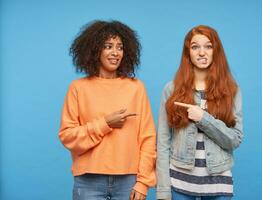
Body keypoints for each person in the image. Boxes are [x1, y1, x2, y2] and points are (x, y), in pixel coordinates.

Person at [58, 20, 156, 200]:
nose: (115, 52)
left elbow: (148, 138)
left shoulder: (136, 88)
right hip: (88, 181)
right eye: (108, 46)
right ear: (95, 50)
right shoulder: (78, 88)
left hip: (129, 181)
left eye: (120, 47)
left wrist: (143, 182)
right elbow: (68, 136)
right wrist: (105, 123)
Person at [156, 25, 243, 200]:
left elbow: (234, 139)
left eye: (208, 46)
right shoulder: (171, 89)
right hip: (179, 182)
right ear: (188, 52)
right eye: (195, 47)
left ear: (215, 51)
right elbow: (162, 143)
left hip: (218, 181)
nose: (202, 52)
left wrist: (204, 118)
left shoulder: (231, 90)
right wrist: (163, 190)